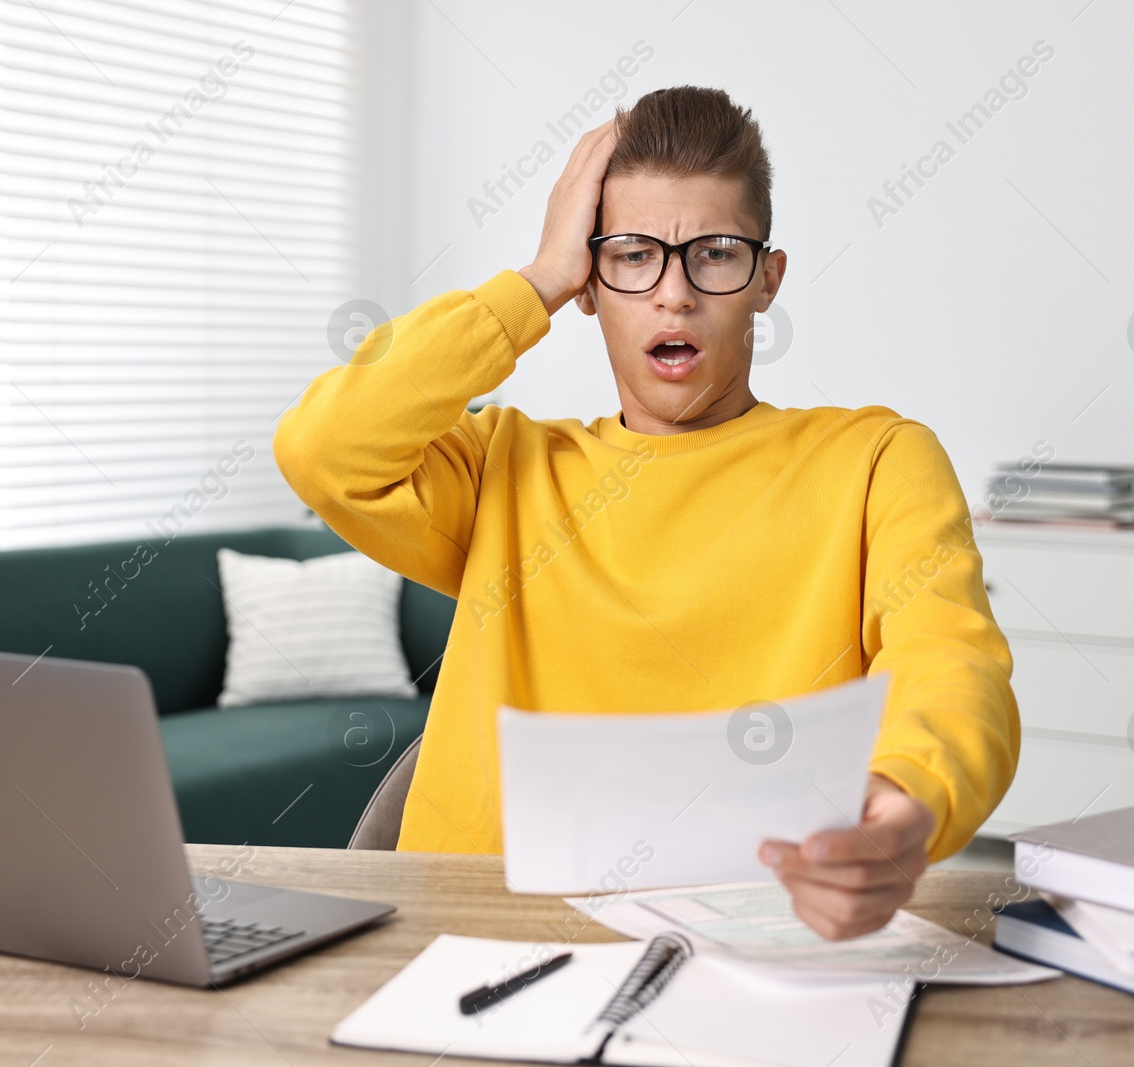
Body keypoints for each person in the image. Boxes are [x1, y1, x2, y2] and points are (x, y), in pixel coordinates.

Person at [276, 86, 1018, 940]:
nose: (675, 294)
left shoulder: (878, 459)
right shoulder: (504, 469)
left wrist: (905, 798)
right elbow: (322, 448)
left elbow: (951, 659)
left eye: (715, 253)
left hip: (766, 932)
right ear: (592, 283)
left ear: (767, 280)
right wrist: (535, 283)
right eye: (633, 256)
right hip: (483, 936)